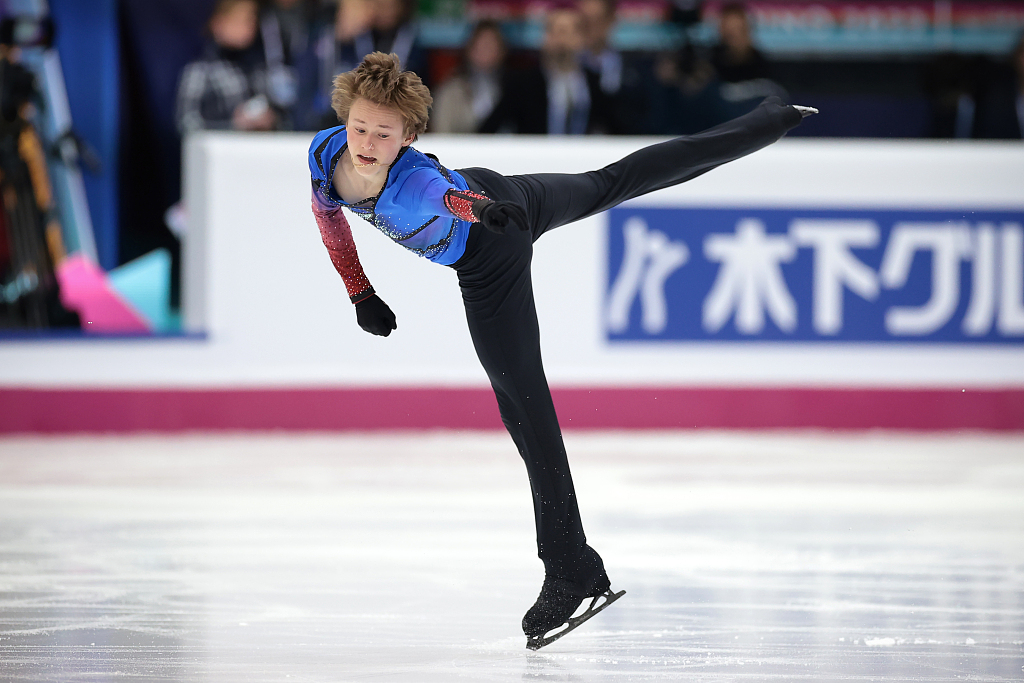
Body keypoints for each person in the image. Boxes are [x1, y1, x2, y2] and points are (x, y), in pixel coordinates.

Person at [307, 51, 814, 648]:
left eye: (383, 134)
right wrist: (360, 292)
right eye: (359, 127)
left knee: (526, 408)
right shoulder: (325, 153)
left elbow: (451, 200)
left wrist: (488, 212)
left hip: (493, 242)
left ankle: (570, 567)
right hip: (495, 196)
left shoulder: (417, 182)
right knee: (607, 184)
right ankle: (573, 562)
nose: (366, 143)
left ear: (409, 137)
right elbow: (328, 213)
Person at [479, 6, 622, 135]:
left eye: (565, 32)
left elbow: (616, 129)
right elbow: (489, 129)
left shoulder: (594, 82)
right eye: (552, 31)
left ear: (581, 38)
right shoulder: (523, 83)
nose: (560, 40)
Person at [176, 0, 279, 133]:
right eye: (238, 20)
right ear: (218, 23)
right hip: (218, 150)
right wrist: (232, 124)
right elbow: (186, 122)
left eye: (251, 20)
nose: (247, 27)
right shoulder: (200, 70)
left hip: (258, 150)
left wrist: (271, 120)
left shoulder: (259, 70)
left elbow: (282, 114)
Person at [430, 20, 507, 134]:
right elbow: (441, 132)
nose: (486, 50)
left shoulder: (513, 89)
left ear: (502, 51)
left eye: (491, 44)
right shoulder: (451, 90)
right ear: (470, 49)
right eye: (482, 44)